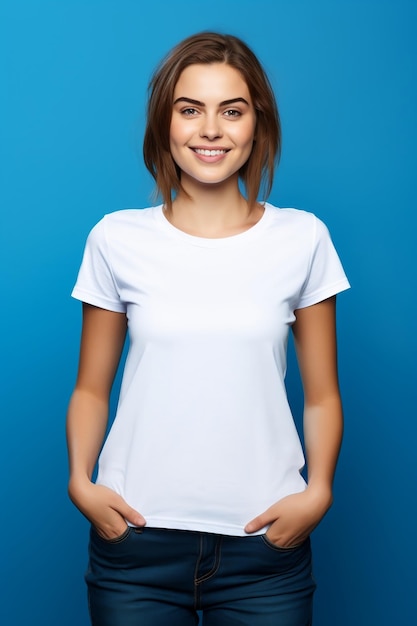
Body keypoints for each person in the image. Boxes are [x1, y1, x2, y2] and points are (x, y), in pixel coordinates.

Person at [66, 31, 350, 626]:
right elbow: (91, 388)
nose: (211, 129)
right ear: (164, 124)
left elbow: (323, 395)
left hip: (266, 550)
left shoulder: (303, 239)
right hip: (134, 546)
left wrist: (317, 491)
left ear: (257, 125)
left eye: (232, 110)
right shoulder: (116, 239)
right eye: (190, 109)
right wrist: (80, 482)